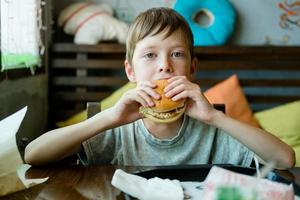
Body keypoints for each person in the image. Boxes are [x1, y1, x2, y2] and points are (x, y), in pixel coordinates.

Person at [25, 7, 295, 169]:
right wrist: (109, 118)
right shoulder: (116, 129)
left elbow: (285, 159)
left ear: (192, 69)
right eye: (150, 55)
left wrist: (215, 116)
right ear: (130, 71)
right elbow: (32, 155)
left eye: (177, 54)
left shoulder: (212, 131)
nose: (165, 66)